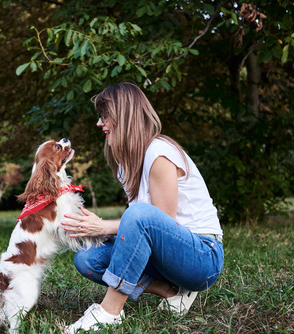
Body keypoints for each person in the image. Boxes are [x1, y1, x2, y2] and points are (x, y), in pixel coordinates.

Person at [61, 82, 224, 333]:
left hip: (202, 256)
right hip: (166, 255)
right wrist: (99, 229)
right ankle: (170, 291)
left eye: (104, 116)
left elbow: (161, 219)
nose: (99, 123)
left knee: (137, 215)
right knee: (87, 259)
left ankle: (109, 312)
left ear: (123, 116)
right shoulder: (128, 161)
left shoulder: (158, 152)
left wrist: (103, 225)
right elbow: (143, 230)